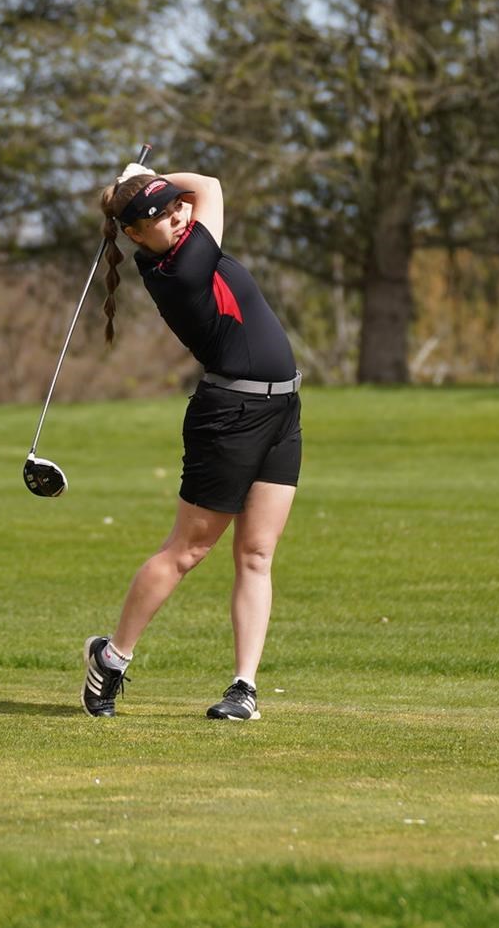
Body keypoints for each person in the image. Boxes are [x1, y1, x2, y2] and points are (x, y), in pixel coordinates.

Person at [82, 162, 301, 720]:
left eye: (177, 207)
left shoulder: (186, 245)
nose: (179, 217)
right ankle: (111, 658)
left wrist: (141, 182)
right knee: (187, 551)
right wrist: (153, 174)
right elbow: (212, 186)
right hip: (230, 415)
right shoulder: (178, 269)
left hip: (281, 410)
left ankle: (243, 690)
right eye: (160, 215)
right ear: (135, 235)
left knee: (256, 554)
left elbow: (199, 195)